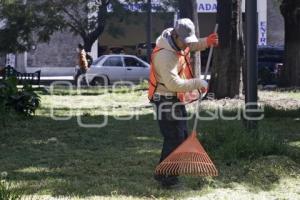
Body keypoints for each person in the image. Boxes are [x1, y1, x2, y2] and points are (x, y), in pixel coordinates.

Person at [148, 18, 219, 188]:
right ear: (175, 35)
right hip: (164, 99)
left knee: (178, 136)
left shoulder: (177, 42)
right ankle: (169, 179)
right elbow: (174, 84)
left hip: (173, 98)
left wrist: (206, 42)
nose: (186, 44)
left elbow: (190, 45)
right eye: (184, 41)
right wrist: (197, 83)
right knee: (176, 138)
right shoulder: (165, 55)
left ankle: (162, 172)